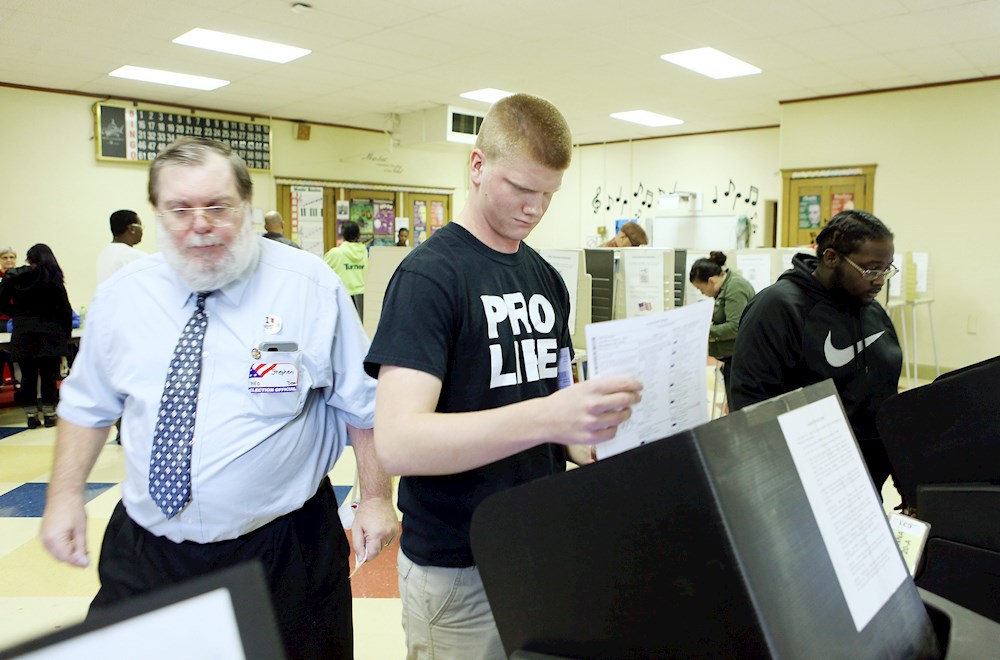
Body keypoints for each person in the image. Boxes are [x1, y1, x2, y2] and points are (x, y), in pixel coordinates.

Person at [39, 137, 396, 659]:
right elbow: (87, 404)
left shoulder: (307, 287)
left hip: (282, 546)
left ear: (247, 209)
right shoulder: (124, 296)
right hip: (149, 547)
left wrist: (377, 498)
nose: (199, 223)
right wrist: (66, 495)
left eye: (217, 206)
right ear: (157, 215)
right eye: (179, 209)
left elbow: (360, 402)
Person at [365, 93, 643, 659]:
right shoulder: (429, 277)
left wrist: (597, 438)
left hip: (539, 548)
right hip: (458, 564)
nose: (535, 208)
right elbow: (398, 442)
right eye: (521, 188)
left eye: (548, 194)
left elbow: (554, 413)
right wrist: (549, 415)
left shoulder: (546, 279)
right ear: (477, 166)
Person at [730, 209, 902, 497]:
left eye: (887, 269)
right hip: (808, 481)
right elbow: (752, 405)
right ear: (831, 258)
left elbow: (885, 395)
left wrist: (902, 470)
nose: (880, 280)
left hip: (867, 480)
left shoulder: (870, 309)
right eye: (871, 269)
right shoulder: (778, 308)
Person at [0, 244, 72, 429]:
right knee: (48, 375)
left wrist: (17, 313)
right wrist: (66, 334)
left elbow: (1, 304)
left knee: (27, 376)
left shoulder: (14, 277)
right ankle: (49, 415)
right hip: (50, 331)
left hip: (23, 331)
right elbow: (64, 309)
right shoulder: (53, 278)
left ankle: (31, 416)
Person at [689, 251, 756, 406]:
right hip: (732, 358)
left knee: (738, 406)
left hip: (740, 359)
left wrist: (705, 330)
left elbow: (735, 326)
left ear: (711, 281)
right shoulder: (727, 286)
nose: (703, 294)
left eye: (701, 289)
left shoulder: (735, 288)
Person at [323, 220, 368, 314]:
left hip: (342, 297)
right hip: (364, 298)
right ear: (358, 235)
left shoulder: (335, 253)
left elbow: (321, 270)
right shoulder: (365, 252)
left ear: (342, 234)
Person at [96, 210, 145, 284]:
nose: (142, 231)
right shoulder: (134, 256)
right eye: (141, 227)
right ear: (132, 229)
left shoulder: (103, 255)